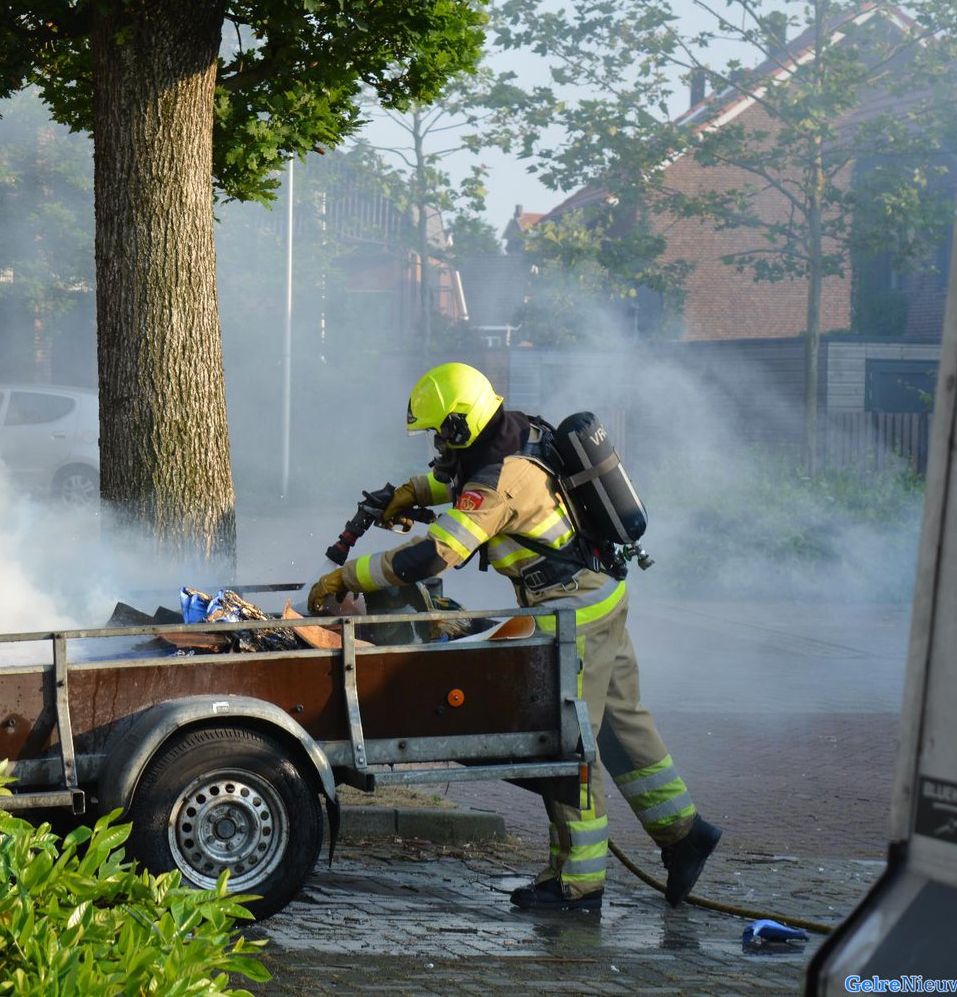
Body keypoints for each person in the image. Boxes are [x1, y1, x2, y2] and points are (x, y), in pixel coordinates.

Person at [307, 362, 720, 911]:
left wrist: (347, 576)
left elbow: (435, 554)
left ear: (459, 425)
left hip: (571, 612)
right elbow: (460, 477)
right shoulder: (519, 431)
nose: (435, 442)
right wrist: (411, 492)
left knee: (568, 745)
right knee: (622, 726)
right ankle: (685, 836)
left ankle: (577, 886)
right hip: (601, 597)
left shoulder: (499, 482)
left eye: (438, 432)